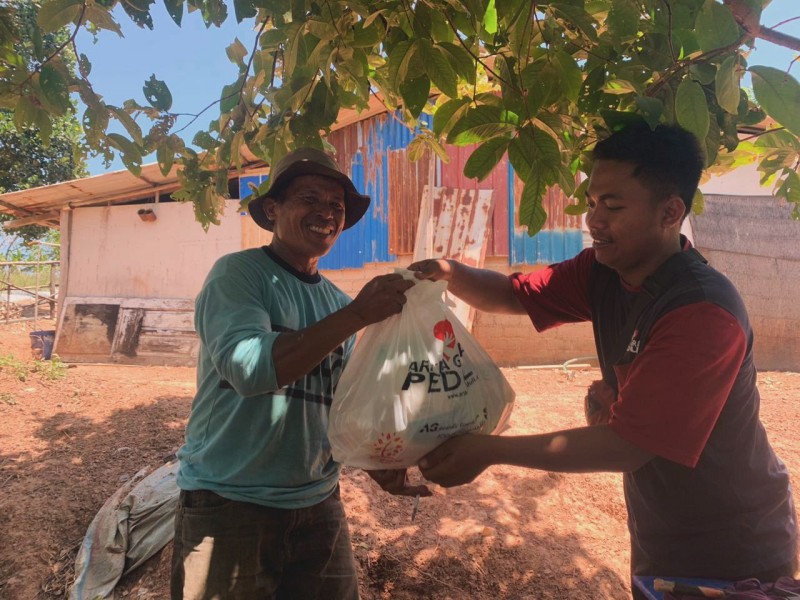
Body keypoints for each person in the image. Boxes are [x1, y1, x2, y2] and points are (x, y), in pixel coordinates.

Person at [410, 123, 798, 597]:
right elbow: (514, 294)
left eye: (612, 207)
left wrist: (490, 450)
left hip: (734, 548)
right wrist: (443, 273)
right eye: (592, 202)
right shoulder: (604, 271)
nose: (593, 220)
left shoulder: (701, 311)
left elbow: (627, 445)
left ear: (670, 212)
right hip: (660, 529)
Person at [171, 147, 429, 600]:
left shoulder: (334, 302)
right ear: (273, 210)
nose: (326, 213)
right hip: (230, 504)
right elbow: (250, 370)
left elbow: (339, 404)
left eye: (336, 207)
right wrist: (357, 316)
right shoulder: (239, 275)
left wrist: (376, 463)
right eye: (310, 198)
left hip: (317, 503)